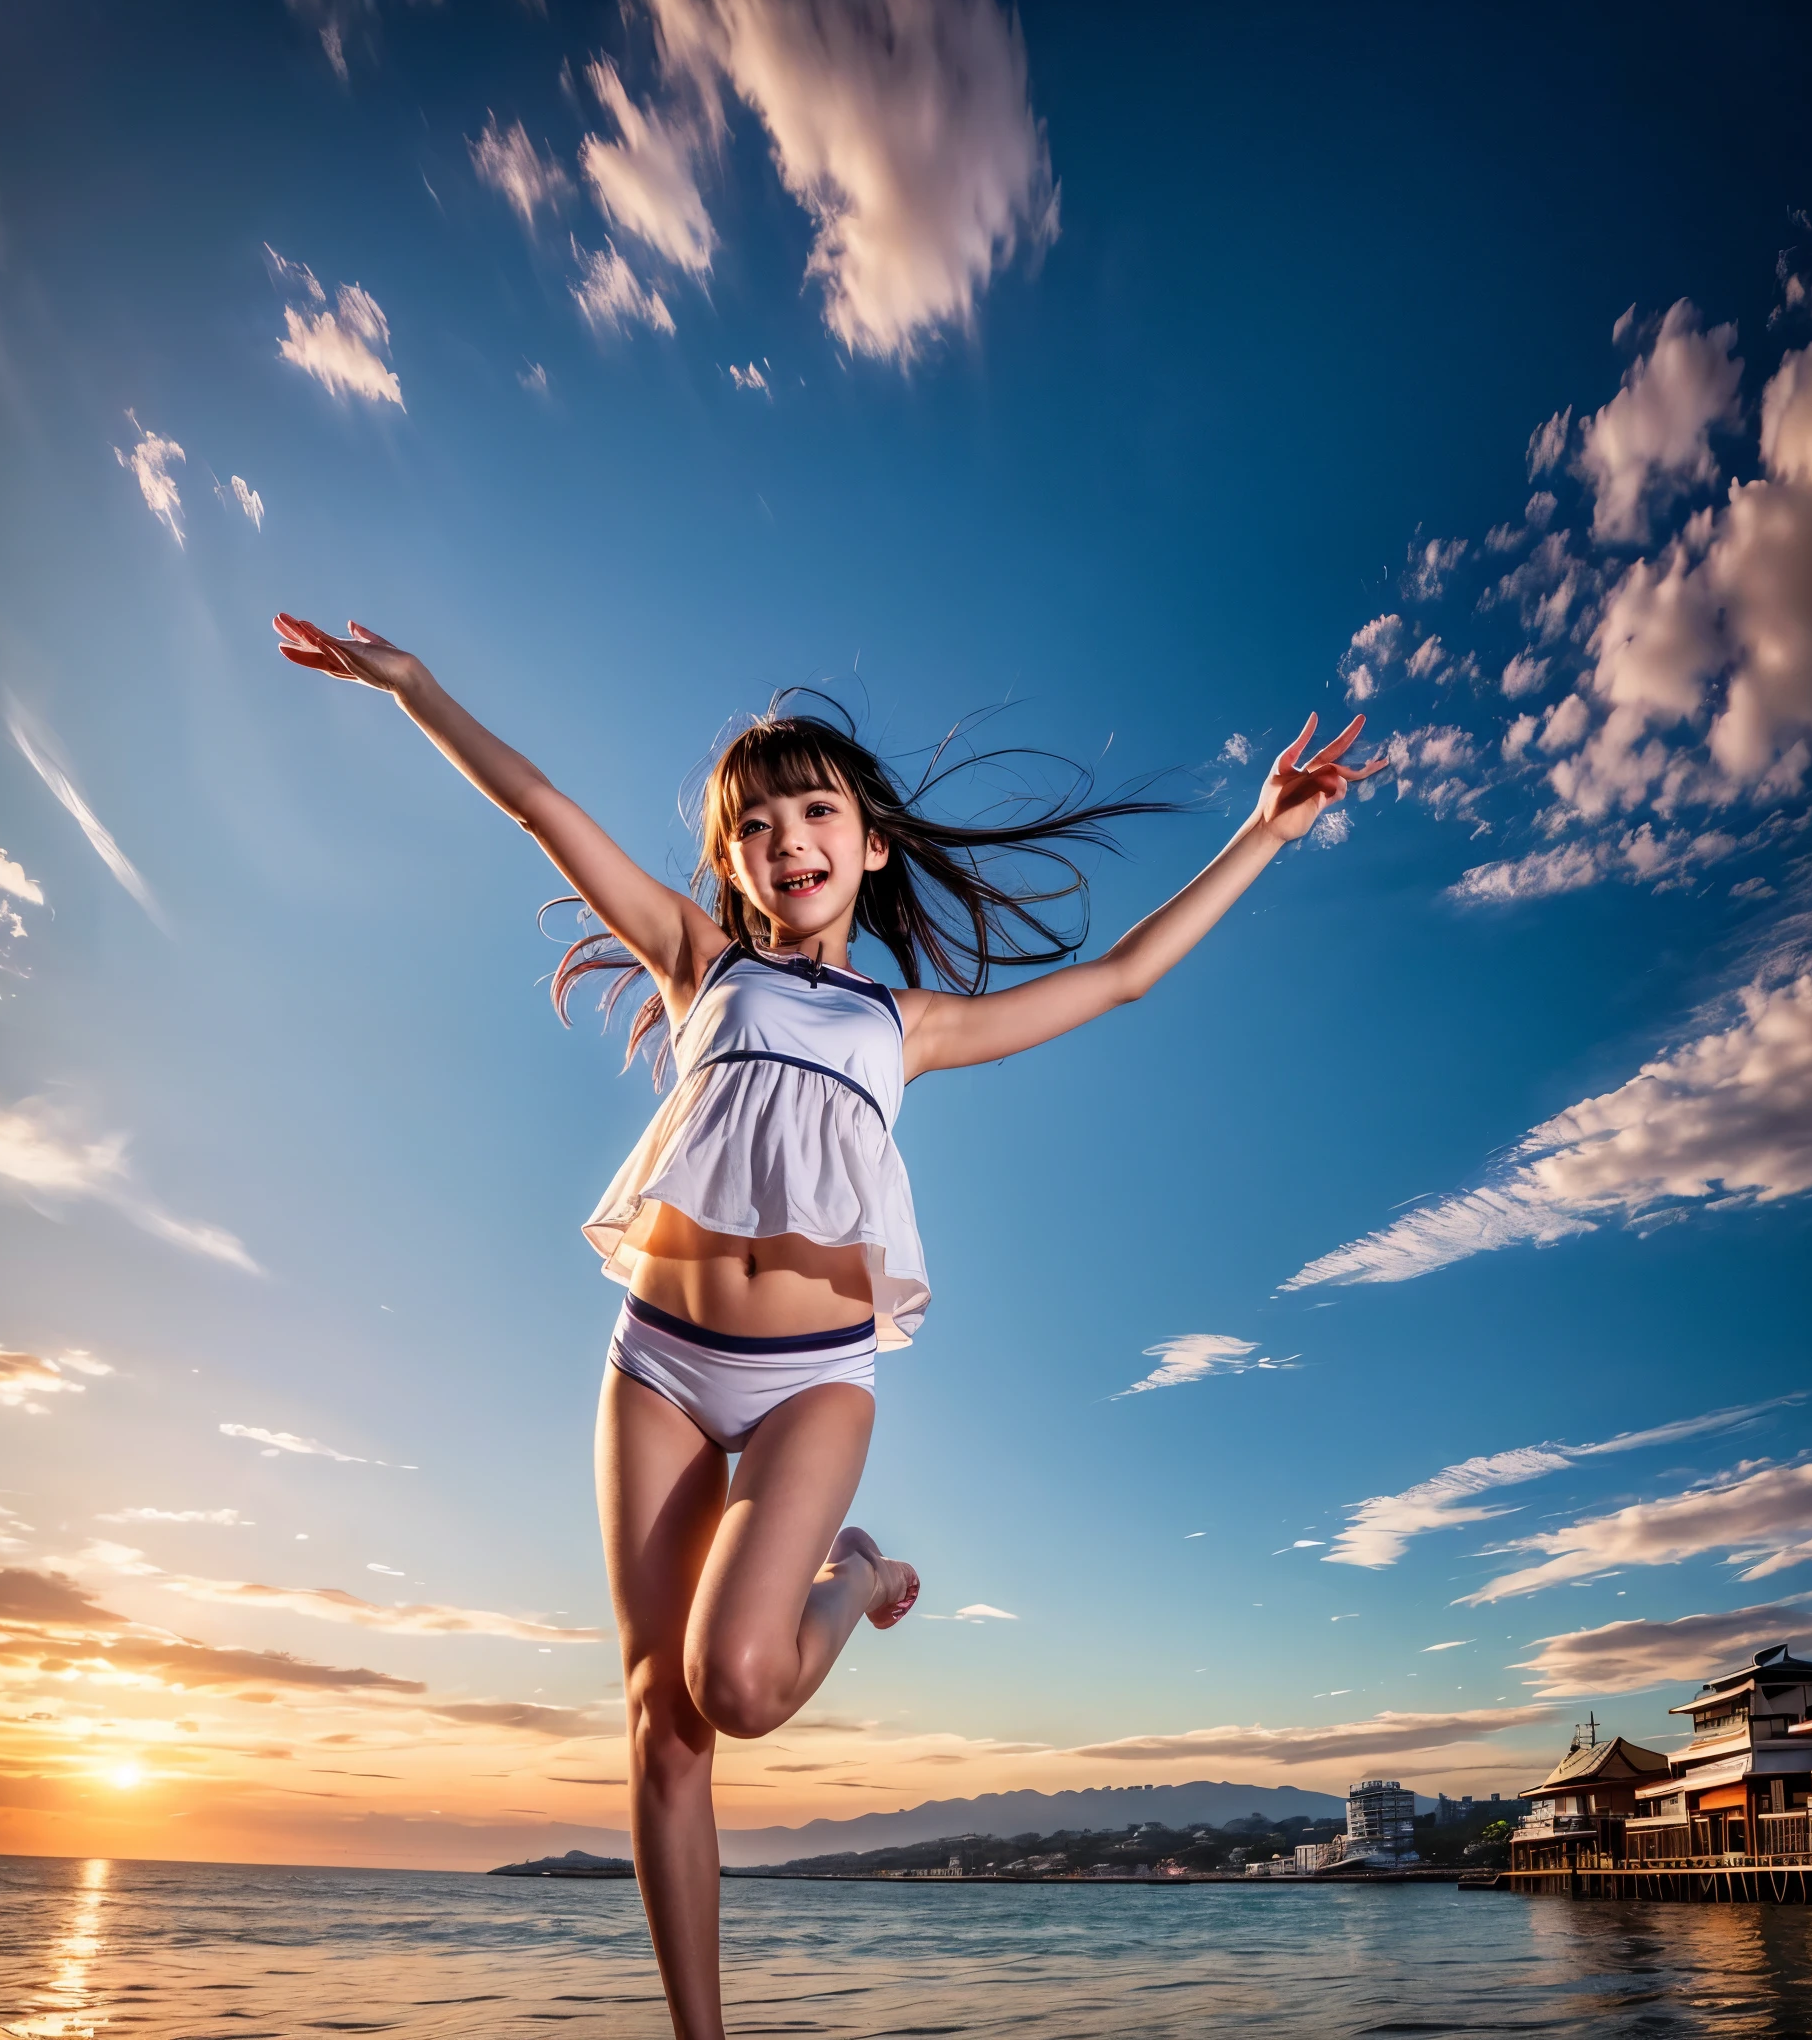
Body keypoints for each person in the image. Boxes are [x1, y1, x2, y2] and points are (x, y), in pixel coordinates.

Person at [272, 612, 1383, 2039]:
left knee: (733, 1683)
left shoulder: (907, 1024)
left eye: (817, 810)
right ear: (731, 864)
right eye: (753, 824)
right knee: (659, 1721)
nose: (785, 838)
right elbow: (541, 805)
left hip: (813, 1385)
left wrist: (1266, 837)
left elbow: (1120, 979)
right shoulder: (697, 964)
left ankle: (855, 1583)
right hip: (659, 1365)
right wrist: (418, 690)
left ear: (867, 844)